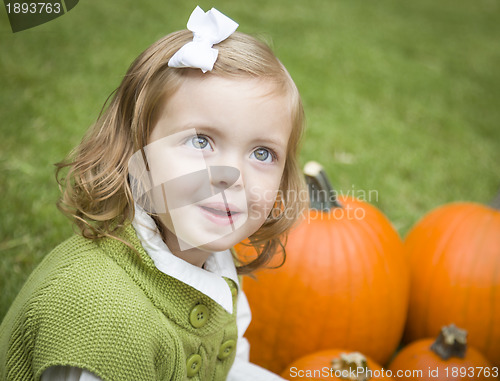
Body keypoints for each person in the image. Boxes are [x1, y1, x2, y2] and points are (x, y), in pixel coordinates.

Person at [0, 6, 306, 381]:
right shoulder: (102, 316)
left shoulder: (215, 261)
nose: (232, 176)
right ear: (135, 152)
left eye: (262, 153)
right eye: (201, 140)